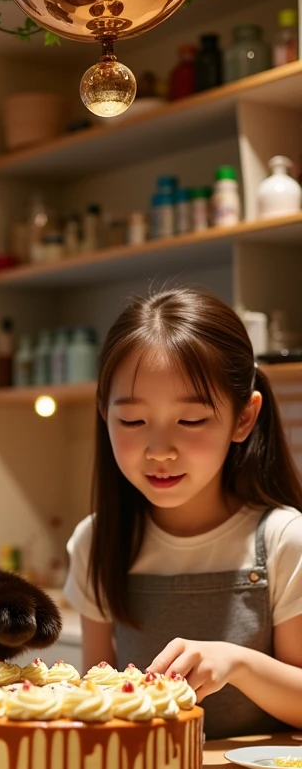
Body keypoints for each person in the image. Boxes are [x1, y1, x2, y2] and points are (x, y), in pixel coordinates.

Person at [64, 287, 302, 738]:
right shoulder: (97, 542)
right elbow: (98, 696)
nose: (159, 451)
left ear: (243, 419)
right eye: (132, 421)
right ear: (103, 415)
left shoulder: (284, 540)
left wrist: (239, 663)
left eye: (190, 421)